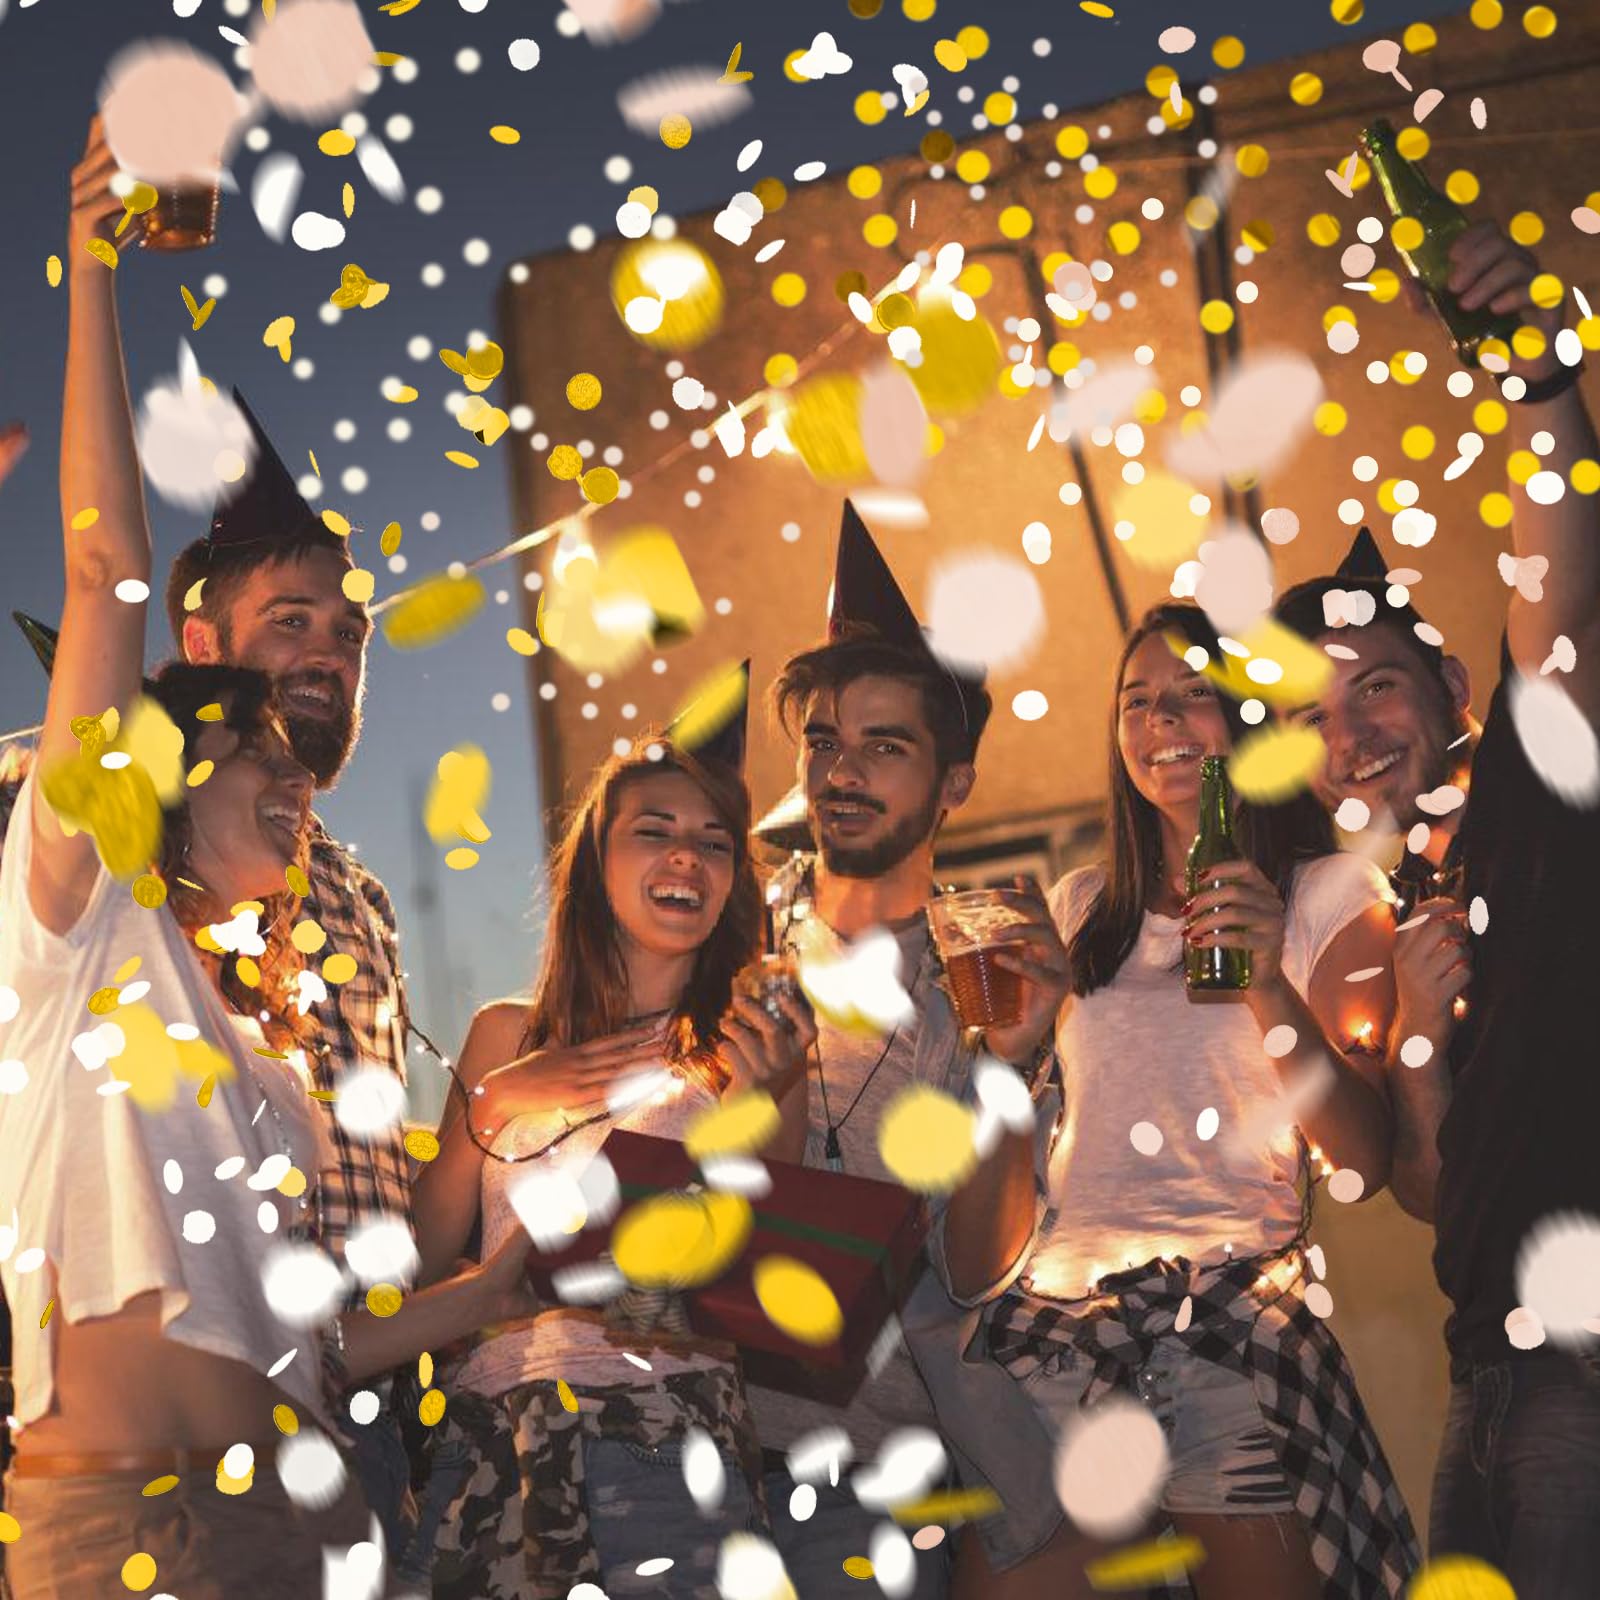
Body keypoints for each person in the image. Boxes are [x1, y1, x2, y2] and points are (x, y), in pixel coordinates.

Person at [0, 123, 433, 1574]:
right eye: (245, 751)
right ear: (166, 781)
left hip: (301, 1519)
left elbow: (348, 1328)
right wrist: (91, 272)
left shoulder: (276, 1039)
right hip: (107, 1515)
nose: (289, 775)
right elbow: (98, 567)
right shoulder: (80, 921)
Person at [966, 600, 1420, 1600]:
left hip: (1225, 1330)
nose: (1160, 721)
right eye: (1136, 701)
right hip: (1055, 1337)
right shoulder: (1083, 905)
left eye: (1193, 696)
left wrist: (1264, 979)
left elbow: (1360, 1159)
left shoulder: (1331, 893)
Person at [1274, 221, 1600, 1594]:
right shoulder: (1394, 912)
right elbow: (1422, 1188)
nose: (1349, 739)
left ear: (1459, 689)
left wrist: (1533, 376)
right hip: (1492, 1361)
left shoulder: (1540, 779)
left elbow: (1563, 579)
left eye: (1379, 690)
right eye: (1312, 720)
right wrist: (1413, 1052)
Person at [411, 668, 818, 1600]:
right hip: (492, 1437)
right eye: (656, 832)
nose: (688, 858)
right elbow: (422, 1260)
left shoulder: (757, 1044)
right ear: (595, 859)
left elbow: (771, 1283)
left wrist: (763, 1111)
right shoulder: (500, 1037)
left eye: (715, 843)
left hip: (665, 1434)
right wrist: (494, 1102)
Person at [752, 502, 1070, 1598]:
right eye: (824, 741)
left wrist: (1007, 1066)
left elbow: (980, 1269)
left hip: (891, 1484)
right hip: (688, 1449)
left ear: (953, 784)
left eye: (885, 746)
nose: (843, 770)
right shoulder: (726, 944)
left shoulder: (983, 982)